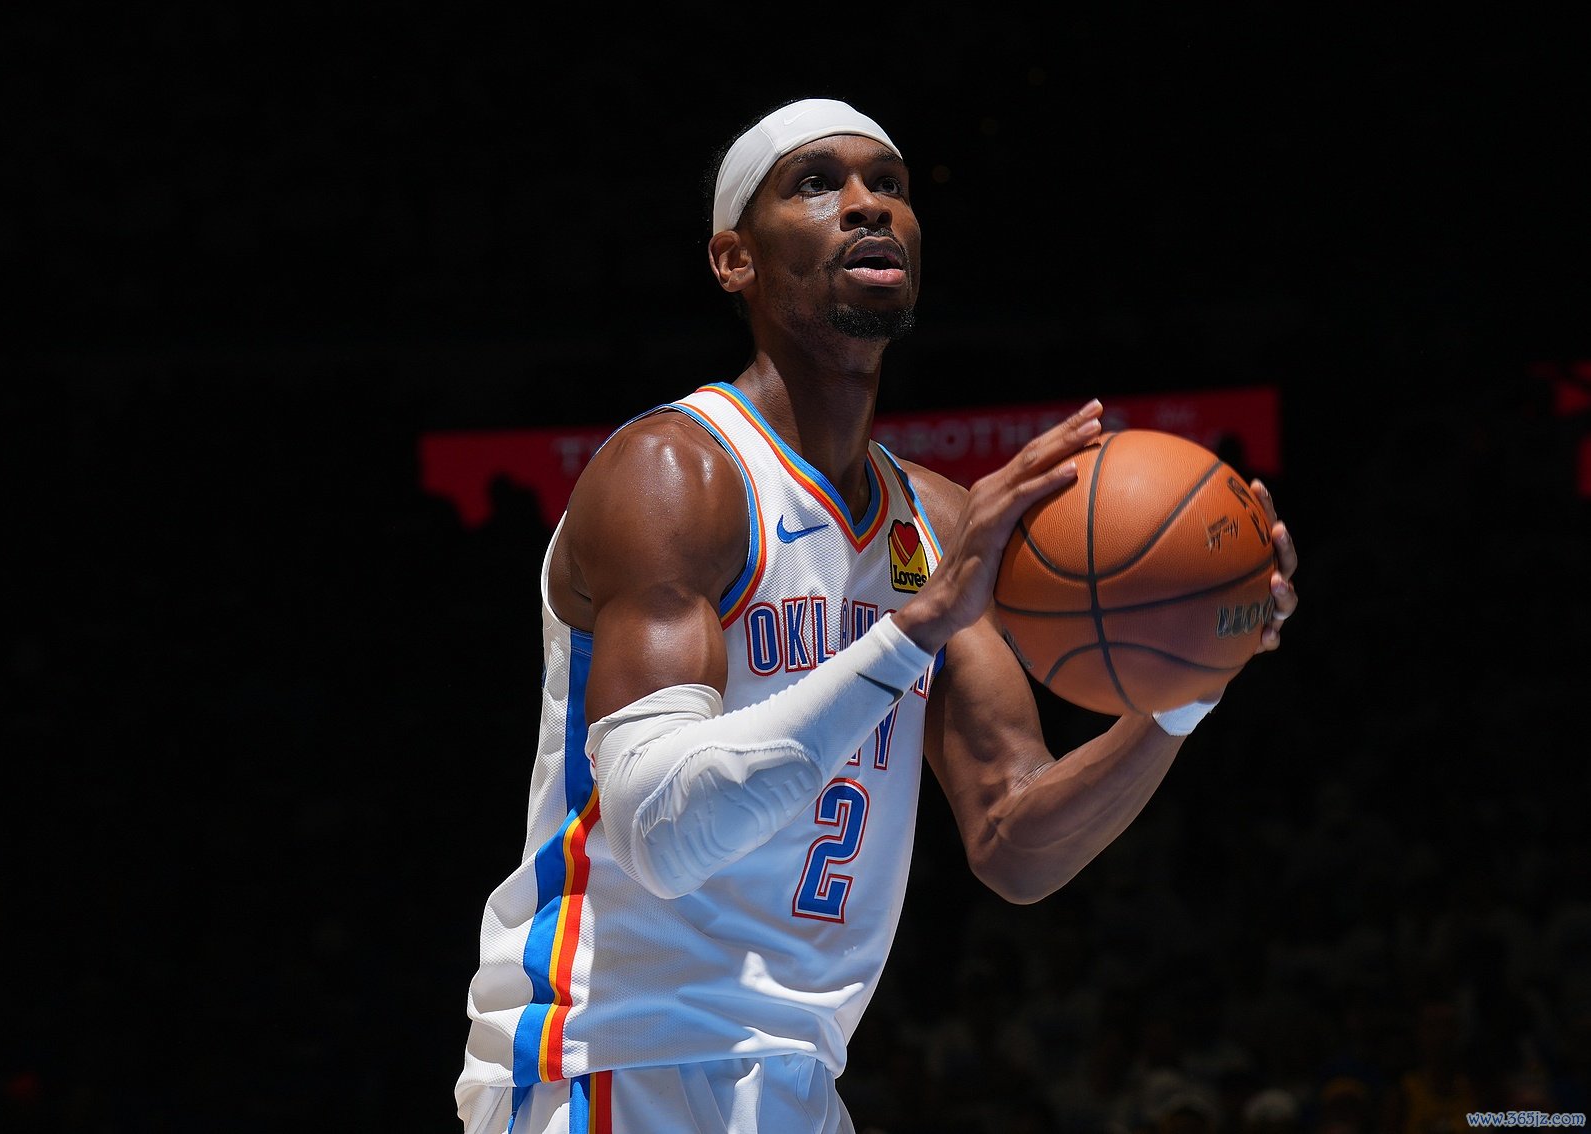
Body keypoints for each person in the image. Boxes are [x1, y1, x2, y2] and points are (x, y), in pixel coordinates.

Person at [453, 96, 1300, 1133]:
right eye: (817, 184)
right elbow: (663, 836)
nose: (867, 205)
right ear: (733, 259)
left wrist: (1185, 689)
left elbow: (1016, 843)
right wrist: (916, 626)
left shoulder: (935, 522)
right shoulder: (673, 474)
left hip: (803, 1074)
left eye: (888, 185)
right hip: (614, 1057)